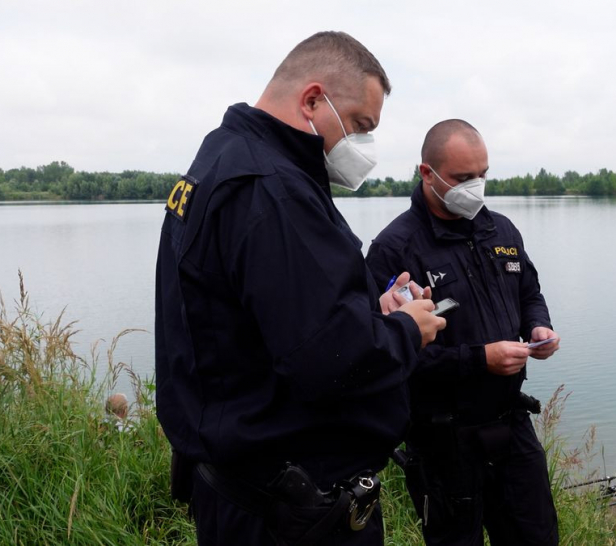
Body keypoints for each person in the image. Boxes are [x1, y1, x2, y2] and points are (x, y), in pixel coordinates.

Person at [155, 31, 445, 545]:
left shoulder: (223, 156)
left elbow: (265, 318)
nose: (364, 146)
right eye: (360, 125)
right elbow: (329, 361)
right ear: (313, 100)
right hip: (287, 511)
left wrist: (365, 311)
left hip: (242, 489)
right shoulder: (274, 188)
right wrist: (405, 329)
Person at [365, 119, 560, 545]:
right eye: (462, 178)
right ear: (427, 174)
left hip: (511, 424)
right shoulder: (394, 249)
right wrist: (479, 359)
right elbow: (387, 353)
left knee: (538, 537)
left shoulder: (502, 231)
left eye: (482, 176)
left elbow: (529, 292)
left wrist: (538, 325)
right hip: (442, 439)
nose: (475, 187)